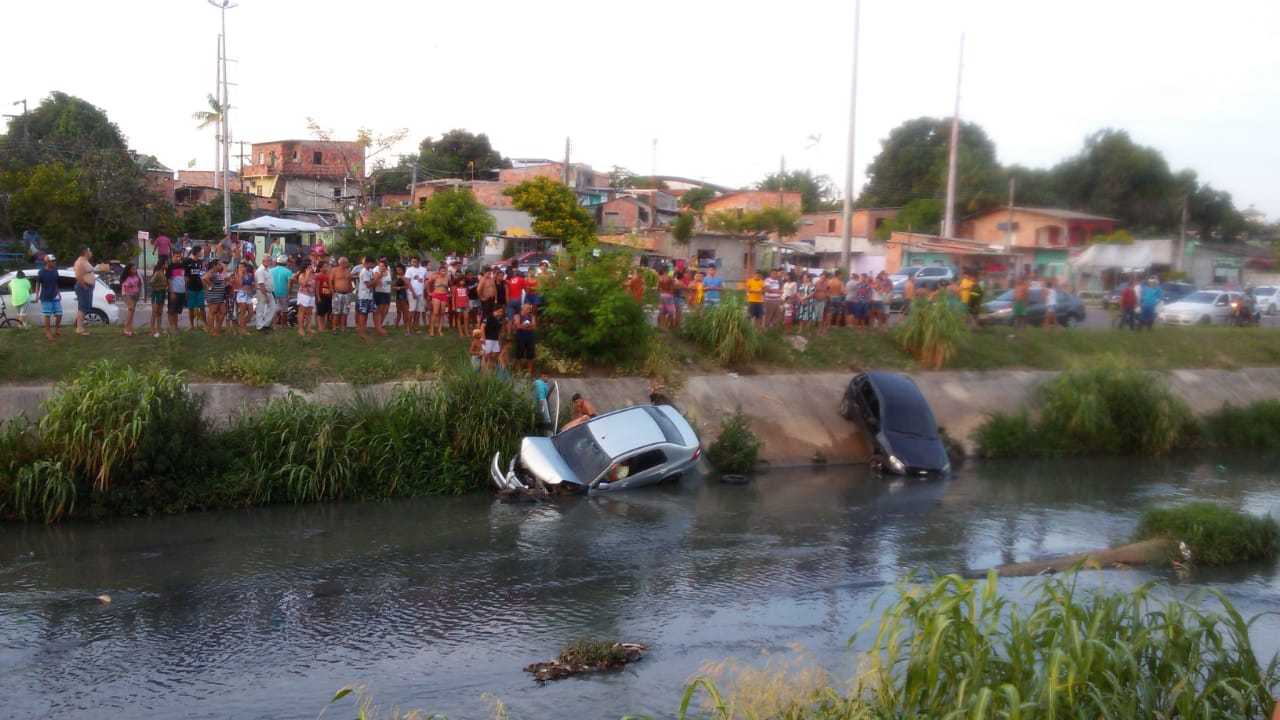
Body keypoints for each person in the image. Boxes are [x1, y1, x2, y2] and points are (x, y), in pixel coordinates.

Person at [34, 254, 62, 342]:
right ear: (47, 262)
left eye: (55, 261)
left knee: (59, 314)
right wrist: (37, 295)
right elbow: (38, 284)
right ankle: (48, 332)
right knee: (47, 315)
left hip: (55, 295)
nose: (54, 263)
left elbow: (56, 282)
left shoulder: (55, 271)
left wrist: (59, 293)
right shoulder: (41, 272)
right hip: (46, 296)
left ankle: (56, 330)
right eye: (52, 261)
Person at [72, 246, 95, 336]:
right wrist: (84, 287)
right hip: (83, 287)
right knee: (82, 307)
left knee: (85, 307)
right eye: (89, 251)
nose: (91, 252)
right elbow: (79, 276)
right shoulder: (80, 262)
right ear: (85, 252)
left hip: (88, 287)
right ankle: (79, 328)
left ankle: (81, 327)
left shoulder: (86, 262)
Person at [355, 256, 378, 340]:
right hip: (364, 296)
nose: (372, 265)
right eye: (372, 264)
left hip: (369, 296)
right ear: (368, 263)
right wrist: (376, 279)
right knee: (363, 314)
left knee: (369, 312)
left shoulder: (369, 271)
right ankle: (362, 332)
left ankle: (363, 329)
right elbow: (368, 284)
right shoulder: (364, 271)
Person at [330, 257, 354, 334]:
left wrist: (350, 291)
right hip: (337, 293)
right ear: (342, 263)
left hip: (346, 294)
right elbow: (330, 281)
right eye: (346, 262)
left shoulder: (348, 271)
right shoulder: (335, 270)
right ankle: (334, 328)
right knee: (336, 312)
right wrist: (332, 292)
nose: (347, 264)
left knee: (345, 312)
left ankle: (343, 327)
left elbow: (350, 281)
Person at [269, 253, 293, 330]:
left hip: (273, 292)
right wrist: (289, 294)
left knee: (274, 309)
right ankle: (284, 324)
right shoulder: (288, 271)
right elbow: (289, 284)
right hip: (284, 292)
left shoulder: (271, 270)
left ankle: (274, 324)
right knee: (284, 309)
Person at [204, 258, 227, 336]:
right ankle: (212, 329)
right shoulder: (211, 272)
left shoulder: (217, 273)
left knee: (223, 311)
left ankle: (218, 327)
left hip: (220, 297)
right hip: (213, 296)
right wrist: (210, 284)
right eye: (219, 264)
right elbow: (205, 278)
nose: (221, 266)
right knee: (212, 312)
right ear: (214, 265)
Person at [405, 255, 428, 333]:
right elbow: (407, 281)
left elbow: (425, 280)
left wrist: (426, 290)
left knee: (418, 311)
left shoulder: (424, 270)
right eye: (412, 261)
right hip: (412, 293)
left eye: (414, 261)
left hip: (420, 292)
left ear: (418, 261)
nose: (413, 263)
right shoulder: (409, 270)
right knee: (411, 310)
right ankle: (407, 328)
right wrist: (413, 292)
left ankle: (415, 327)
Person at [513, 302, 537, 375]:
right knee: (519, 356)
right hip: (520, 338)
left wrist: (524, 326)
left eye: (530, 309)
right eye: (527, 309)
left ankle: (529, 373)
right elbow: (518, 326)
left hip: (530, 338)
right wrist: (528, 326)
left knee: (530, 357)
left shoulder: (532, 316)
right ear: (522, 309)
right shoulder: (517, 316)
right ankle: (517, 373)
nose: (529, 310)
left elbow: (534, 327)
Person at [254, 255, 276, 333]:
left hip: (269, 291)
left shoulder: (268, 270)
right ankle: (260, 326)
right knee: (260, 309)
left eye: (270, 260)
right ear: (263, 261)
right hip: (262, 292)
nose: (270, 262)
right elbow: (261, 284)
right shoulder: (260, 271)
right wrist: (265, 295)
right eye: (268, 261)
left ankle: (266, 324)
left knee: (272, 308)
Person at [295, 261, 316, 336]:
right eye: (309, 266)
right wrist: (307, 274)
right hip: (304, 295)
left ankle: (308, 327)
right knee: (302, 311)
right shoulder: (302, 275)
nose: (311, 267)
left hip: (311, 295)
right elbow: (303, 284)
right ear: (306, 267)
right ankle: (300, 328)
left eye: (311, 266)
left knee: (309, 312)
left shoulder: (313, 275)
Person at [481, 305, 505, 372]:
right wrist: (483, 338)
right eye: (500, 311)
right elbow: (482, 327)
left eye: (502, 312)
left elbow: (499, 331)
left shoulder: (500, 319)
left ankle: (491, 372)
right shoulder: (488, 317)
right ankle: (483, 372)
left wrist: (500, 341)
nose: (501, 313)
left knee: (493, 357)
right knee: (486, 357)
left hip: (495, 340)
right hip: (488, 339)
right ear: (495, 311)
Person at [148, 261, 168, 337]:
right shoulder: (158, 273)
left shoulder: (164, 273)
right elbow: (151, 282)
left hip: (162, 293)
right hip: (156, 294)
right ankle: (152, 330)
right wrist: (157, 288)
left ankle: (159, 328)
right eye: (165, 263)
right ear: (162, 265)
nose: (167, 265)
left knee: (160, 312)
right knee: (154, 312)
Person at [234, 261, 255, 335]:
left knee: (251, 311)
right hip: (241, 294)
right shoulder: (238, 275)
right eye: (239, 267)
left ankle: (242, 326)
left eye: (242, 267)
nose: (240, 268)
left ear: (246, 267)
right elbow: (240, 284)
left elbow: (252, 284)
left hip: (248, 294)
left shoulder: (249, 274)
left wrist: (251, 292)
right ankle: (243, 329)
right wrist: (240, 274)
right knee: (242, 312)